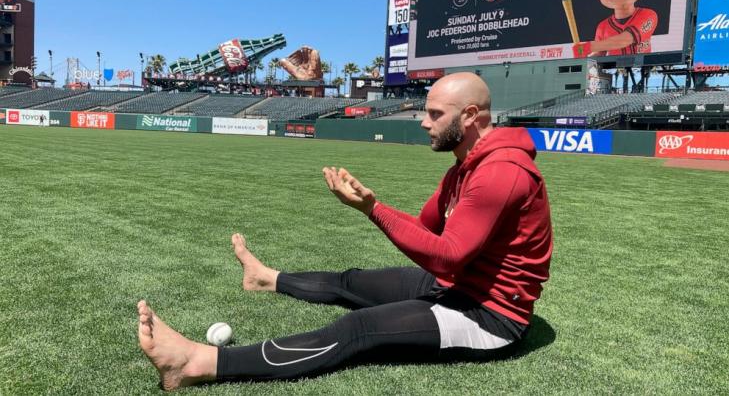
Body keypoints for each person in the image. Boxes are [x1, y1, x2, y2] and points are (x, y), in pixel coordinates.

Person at [137, 72, 553, 390]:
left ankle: (198, 363)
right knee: (351, 282)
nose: (424, 123)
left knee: (359, 329)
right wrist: (372, 205)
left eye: (434, 114)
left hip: (489, 316)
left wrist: (373, 211)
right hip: (455, 285)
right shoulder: (465, 166)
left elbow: (447, 254)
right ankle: (266, 278)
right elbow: (427, 229)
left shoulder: (501, 173)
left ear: (469, 116)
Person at [573, 0, 657, 58]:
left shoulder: (648, 15)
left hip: (641, 71)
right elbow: (598, 56)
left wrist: (586, 48)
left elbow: (625, 40)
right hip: (616, 72)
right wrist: (584, 59)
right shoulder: (602, 27)